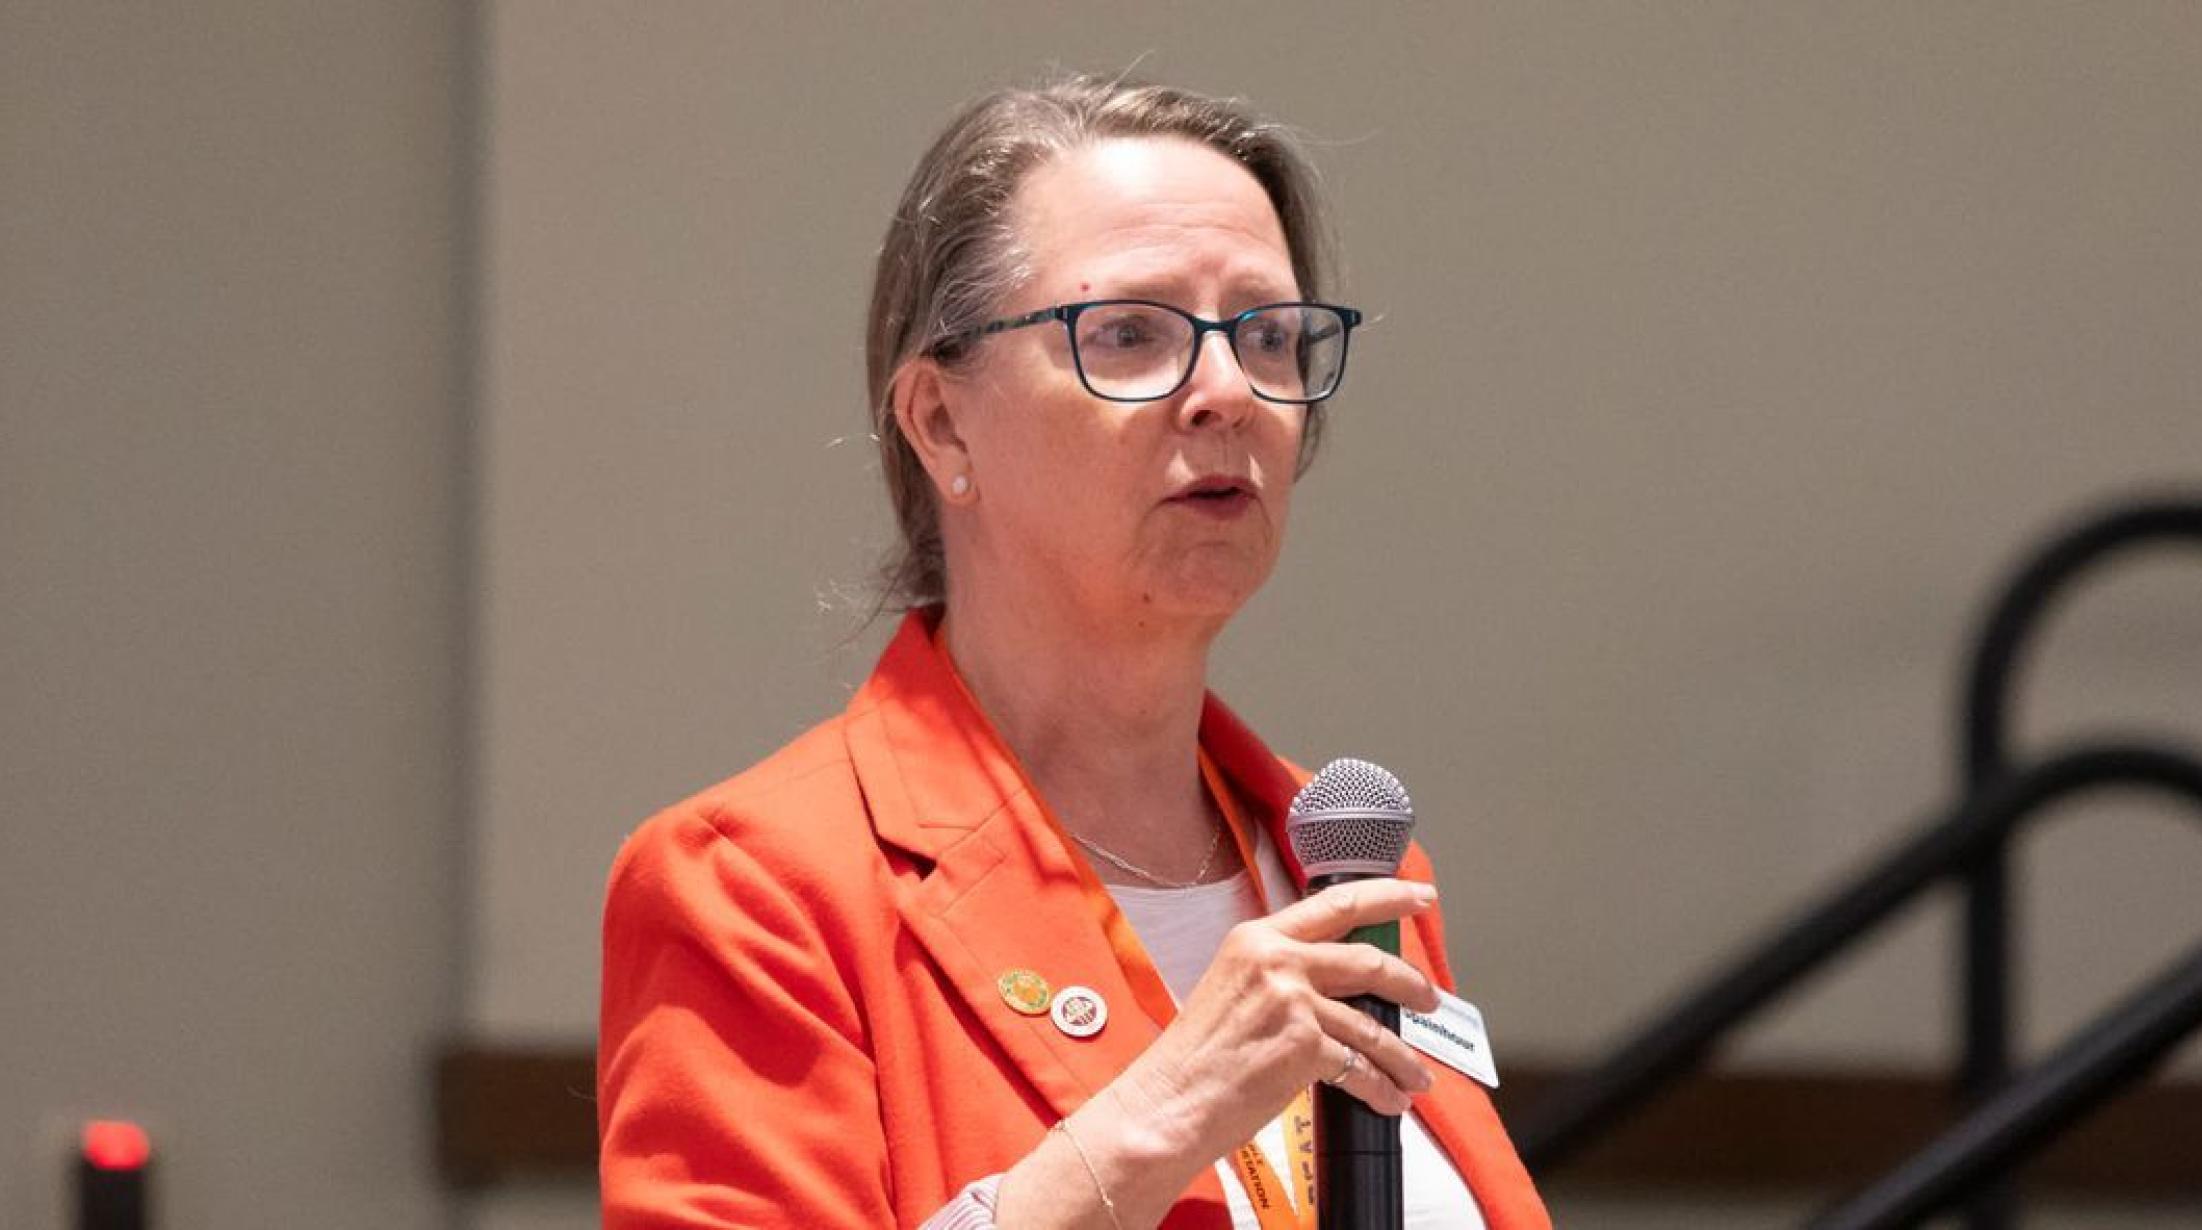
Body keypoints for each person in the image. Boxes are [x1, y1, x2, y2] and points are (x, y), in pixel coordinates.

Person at [596, 73, 1550, 1229]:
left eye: (1268, 336)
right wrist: (1157, 1120)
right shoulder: (758, 889)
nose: (1225, 392)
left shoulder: (1349, 871)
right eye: (1130, 335)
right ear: (943, 421)